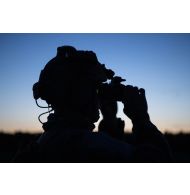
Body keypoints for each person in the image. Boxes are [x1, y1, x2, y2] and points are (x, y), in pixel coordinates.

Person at [13, 46, 172, 162]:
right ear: (80, 92)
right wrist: (141, 118)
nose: (99, 95)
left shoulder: (46, 140)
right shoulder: (89, 145)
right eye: (95, 87)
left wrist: (109, 121)